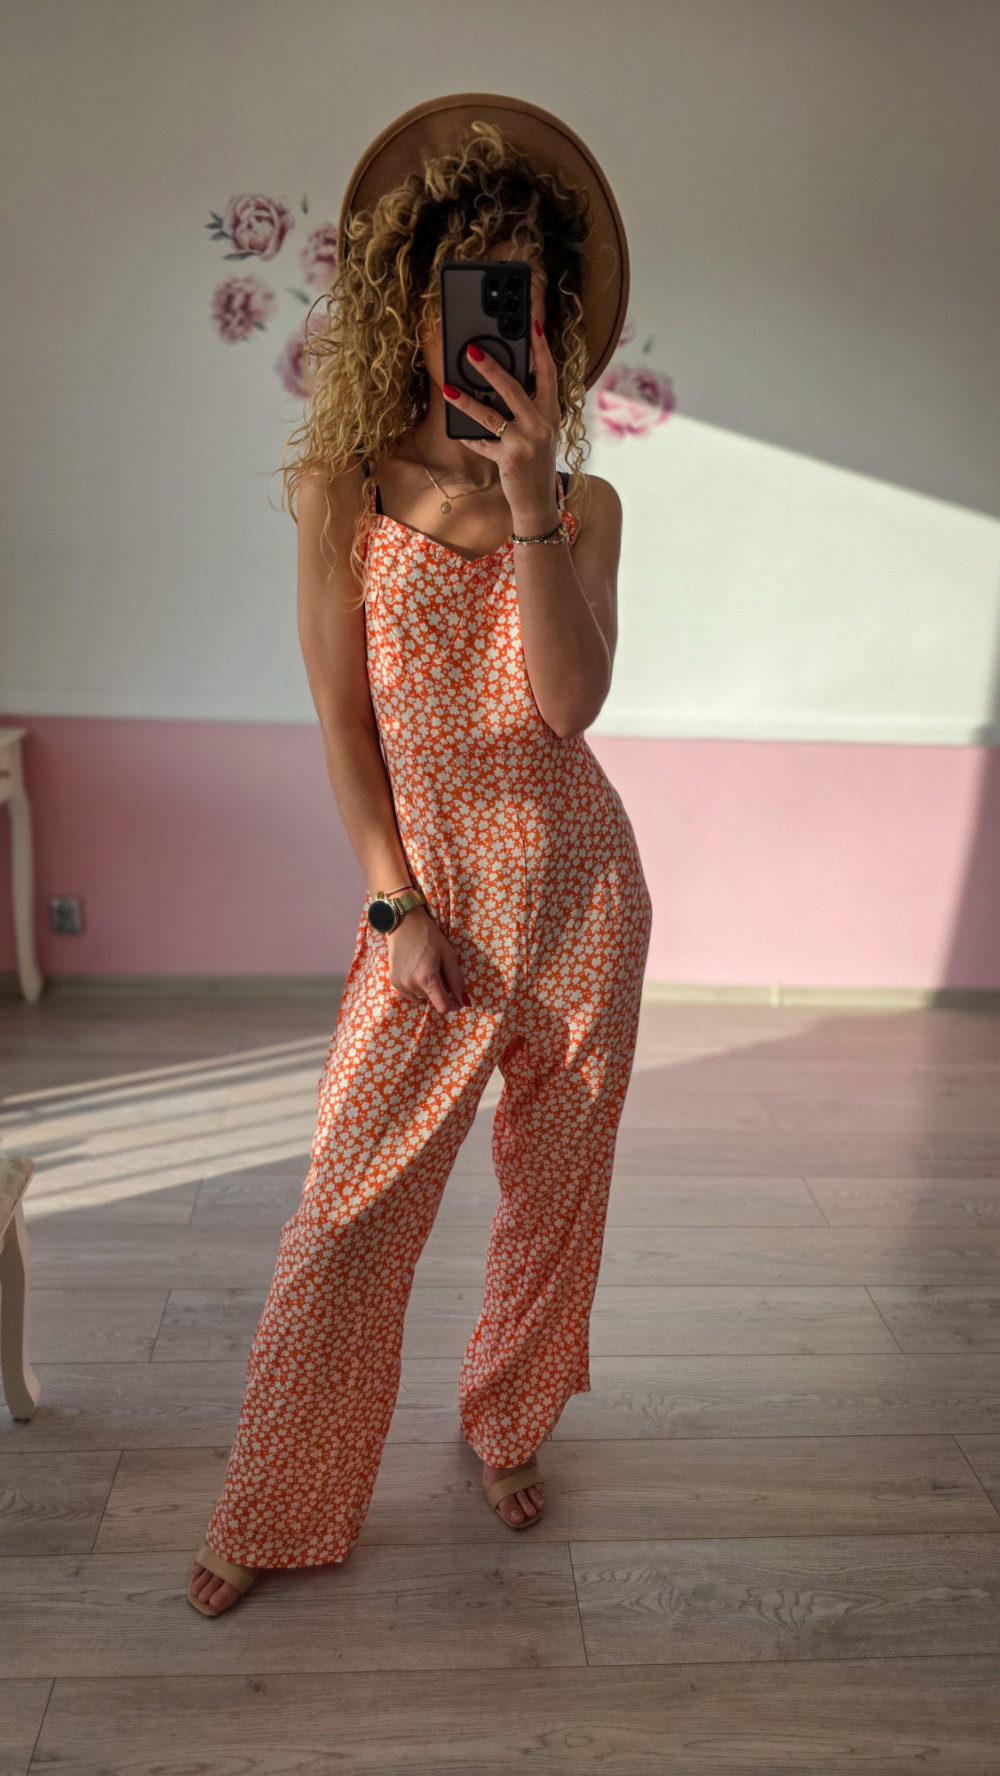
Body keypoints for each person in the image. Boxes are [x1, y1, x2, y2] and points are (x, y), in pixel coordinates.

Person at [188, 94, 652, 1617]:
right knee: (347, 1210)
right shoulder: (341, 490)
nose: (506, 318)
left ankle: (509, 1419)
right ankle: (276, 1502)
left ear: (558, 320)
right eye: (478, 285)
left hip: (582, 900)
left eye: (530, 290)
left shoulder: (583, 507)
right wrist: (394, 905)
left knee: (555, 1194)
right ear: (420, 300)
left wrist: (529, 499)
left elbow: (569, 708)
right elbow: (343, 721)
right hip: (433, 907)